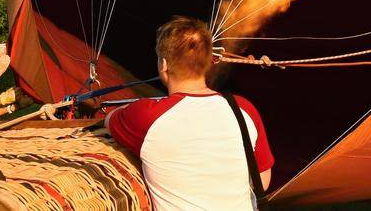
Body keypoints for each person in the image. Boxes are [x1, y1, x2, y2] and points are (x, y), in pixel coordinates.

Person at [108, 16, 273, 211]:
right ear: (209, 63)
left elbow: (110, 120)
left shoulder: (145, 116)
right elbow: (262, 181)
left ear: (164, 65)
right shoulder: (243, 109)